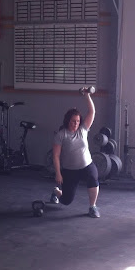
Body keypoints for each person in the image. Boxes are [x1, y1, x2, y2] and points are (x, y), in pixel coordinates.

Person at [51, 89, 100, 218]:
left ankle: (93, 207)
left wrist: (87, 95)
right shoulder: (61, 135)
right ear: (68, 120)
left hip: (86, 166)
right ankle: (56, 191)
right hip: (69, 170)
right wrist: (58, 173)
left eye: (78, 121)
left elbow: (92, 111)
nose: (76, 124)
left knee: (93, 177)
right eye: (73, 121)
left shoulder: (83, 130)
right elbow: (56, 156)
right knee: (66, 201)